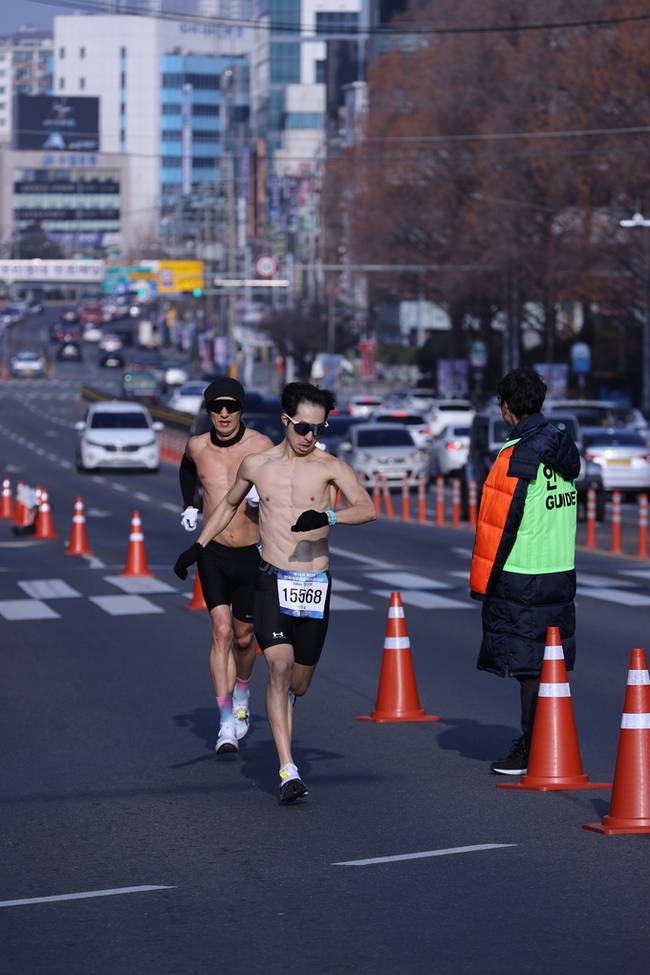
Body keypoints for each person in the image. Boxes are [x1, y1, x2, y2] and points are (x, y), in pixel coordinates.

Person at [174, 382, 376, 802]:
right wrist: (197, 546)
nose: (310, 437)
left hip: (314, 583)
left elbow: (367, 507)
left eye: (319, 429)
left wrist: (330, 517)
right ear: (286, 422)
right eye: (303, 427)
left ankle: (285, 708)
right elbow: (228, 505)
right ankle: (288, 770)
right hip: (272, 579)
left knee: (299, 683)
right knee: (278, 668)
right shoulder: (257, 464)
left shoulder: (330, 467)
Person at [469, 368, 580, 775]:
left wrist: (483, 584)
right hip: (560, 567)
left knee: (530, 666)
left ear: (507, 408)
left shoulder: (515, 456)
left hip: (522, 571)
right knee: (549, 661)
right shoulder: (564, 448)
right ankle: (545, 740)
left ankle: (533, 746)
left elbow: (497, 525)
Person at [179, 377, 273, 755]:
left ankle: (244, 691)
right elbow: (187, 470)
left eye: (230, 406)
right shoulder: (197, 446)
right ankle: (225, 724)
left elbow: (285, 482)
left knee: (244, 637)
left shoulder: (262, 446)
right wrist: (190, 504)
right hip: (213, 552)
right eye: (216, 407)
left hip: (252, 552)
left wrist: (261, 495)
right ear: (208, 410)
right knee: (220, 631)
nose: (223, 414)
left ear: (240, 409)